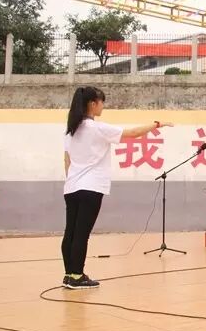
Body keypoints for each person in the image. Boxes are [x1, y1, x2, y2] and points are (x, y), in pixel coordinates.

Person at [63, 86, 173, 289]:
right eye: (101, 102)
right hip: (91, 188)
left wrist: (71, 180)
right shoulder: (97, 128)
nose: (102, 106)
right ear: (92, 104)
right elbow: (132, 133)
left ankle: (69, 274)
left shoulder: (71, 131)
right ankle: (77, 276)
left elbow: (67, 160)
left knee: (70, 232)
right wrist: (156, 124)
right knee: (81, 234)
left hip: (71, 188)